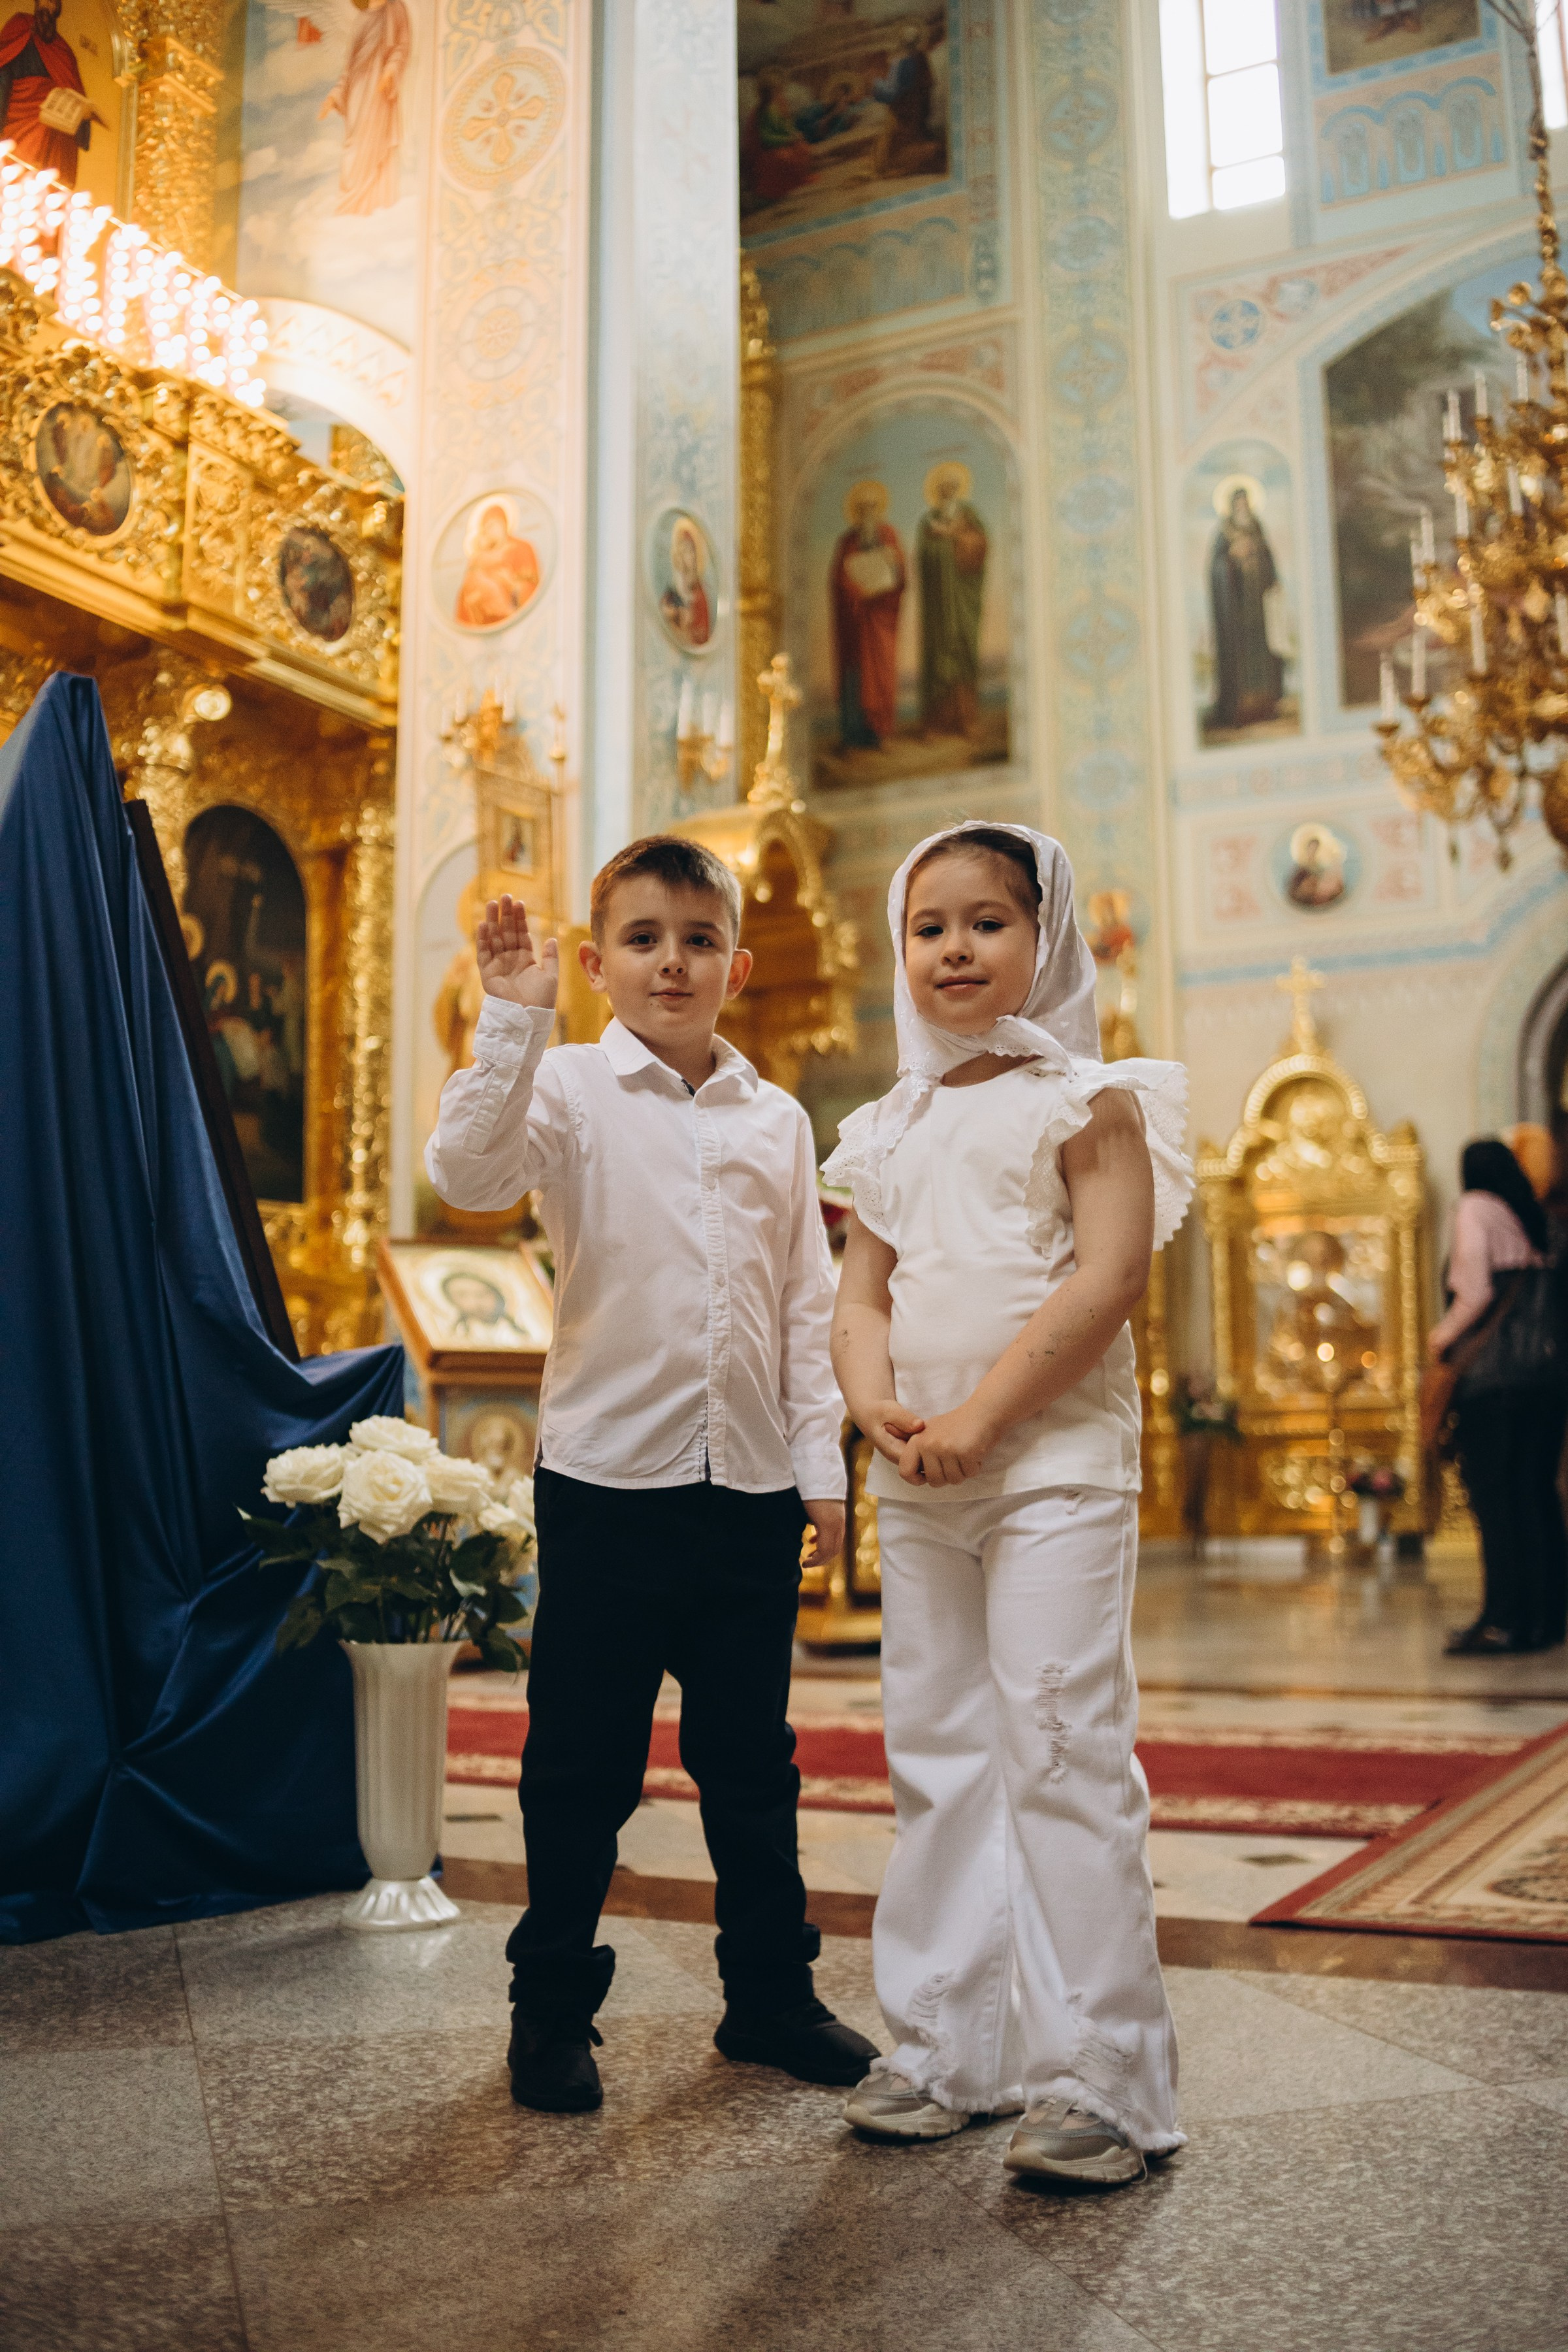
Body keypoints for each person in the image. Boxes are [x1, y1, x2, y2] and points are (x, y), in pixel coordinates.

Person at [425, 835, 875, 2113]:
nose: (669, 963)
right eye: (641, 939)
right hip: (609, 1482)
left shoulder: (777, 1118)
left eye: (694, 940)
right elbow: (465, 1177)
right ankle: (550, 2011)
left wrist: (819, 1469)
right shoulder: (566, 1089)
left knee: (752, 1761)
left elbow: (804, 1303)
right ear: (595, 962)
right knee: (583, 1763)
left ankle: (772, 2002)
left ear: (736, 963)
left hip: (743, 1492)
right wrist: (512, 1020)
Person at [825, 820, 1192, 2188]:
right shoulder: (886, 1125)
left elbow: (1104, 1284)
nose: (956, 948)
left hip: (1047, 1469)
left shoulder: (1089, 1102)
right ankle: (943, 2050)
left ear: (1046, 941)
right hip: (925, 1477)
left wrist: (981, 1418)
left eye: (987, 921)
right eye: (929, 928)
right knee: (938, 1754)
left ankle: (1104, 2082)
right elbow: (860, 1296)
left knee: (1057, 1745)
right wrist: (878, 1407)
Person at [1429, 1137, 1568, 1655]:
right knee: (1536, 1497)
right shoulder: (1534, 1218)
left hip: (1495, 1381)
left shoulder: (1474, 1207)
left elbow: (1476, 1290)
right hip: (1548, 1380)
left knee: (1498, 1502)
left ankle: (1503, 1620)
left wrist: (1441, 1338)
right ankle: (1546, 1619)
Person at [319, 0, 410, 219]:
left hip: (379, 91)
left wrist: (390, 71)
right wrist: (334, 96)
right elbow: (349, 68)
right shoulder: (361, 20)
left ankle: (369, 205)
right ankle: (351, 206)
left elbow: (402, 45)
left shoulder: (395, 9)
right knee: (355, 147)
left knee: (374, 146)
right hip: (357, 94)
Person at [1204, 483, 1284, 734]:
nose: (1243, 507)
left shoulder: (1257, 527)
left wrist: (1269, 572)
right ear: (1231, 506)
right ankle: (1238, 709)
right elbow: (1216, 566)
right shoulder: (1224, 532)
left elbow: (1268, 557)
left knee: (1262, 653)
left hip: (1258, 607)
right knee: (1239, 655)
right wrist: (1233, 557)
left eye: (1245, 502)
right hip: (1236, 609)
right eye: (1238, 503)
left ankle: (1265, 705)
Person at [831, 482, 905, 750]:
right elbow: (839, 580)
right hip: (855, 623)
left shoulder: (889, 537)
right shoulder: (848, 543)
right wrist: (857, 593)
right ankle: (855, 734)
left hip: (880, 622)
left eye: (873, 506)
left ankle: (879, 732)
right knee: (855, 677)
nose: (868, 512)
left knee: (881, 674)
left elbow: (901, 578)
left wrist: (892, 564)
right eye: (862, 507)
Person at [917, 462, 987, 738]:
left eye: (952, 486)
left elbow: (980, 546)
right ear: (937, 491)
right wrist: (938, 543)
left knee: (963, 651)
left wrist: (955, 538)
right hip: (938, 605)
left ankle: (966, 720)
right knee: (938, 657)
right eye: (942, 487)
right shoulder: (928, 522)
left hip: (962, 602)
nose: (947, 490)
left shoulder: (969, 517)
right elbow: (924, 557)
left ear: (958, 489)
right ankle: (937, 724)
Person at [0, 1, 102, 187]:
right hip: (20, 116)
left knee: (49, 181)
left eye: (52, 3)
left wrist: (84, 117)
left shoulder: (64, 51)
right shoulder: (19, 25)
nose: (47, 5)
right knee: (15, 171)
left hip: (55, 129)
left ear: (58, 11)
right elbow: (3, 65)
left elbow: (75, 92)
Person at [455, 501, 540, 629]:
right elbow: (466, 590)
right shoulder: (478, 557)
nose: (488, 531)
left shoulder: (522, 548)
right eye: (485, 528)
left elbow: (532, 587)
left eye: (492, 525)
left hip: (512, 617)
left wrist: (512, 585)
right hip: (482, 619)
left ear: (503, 524)